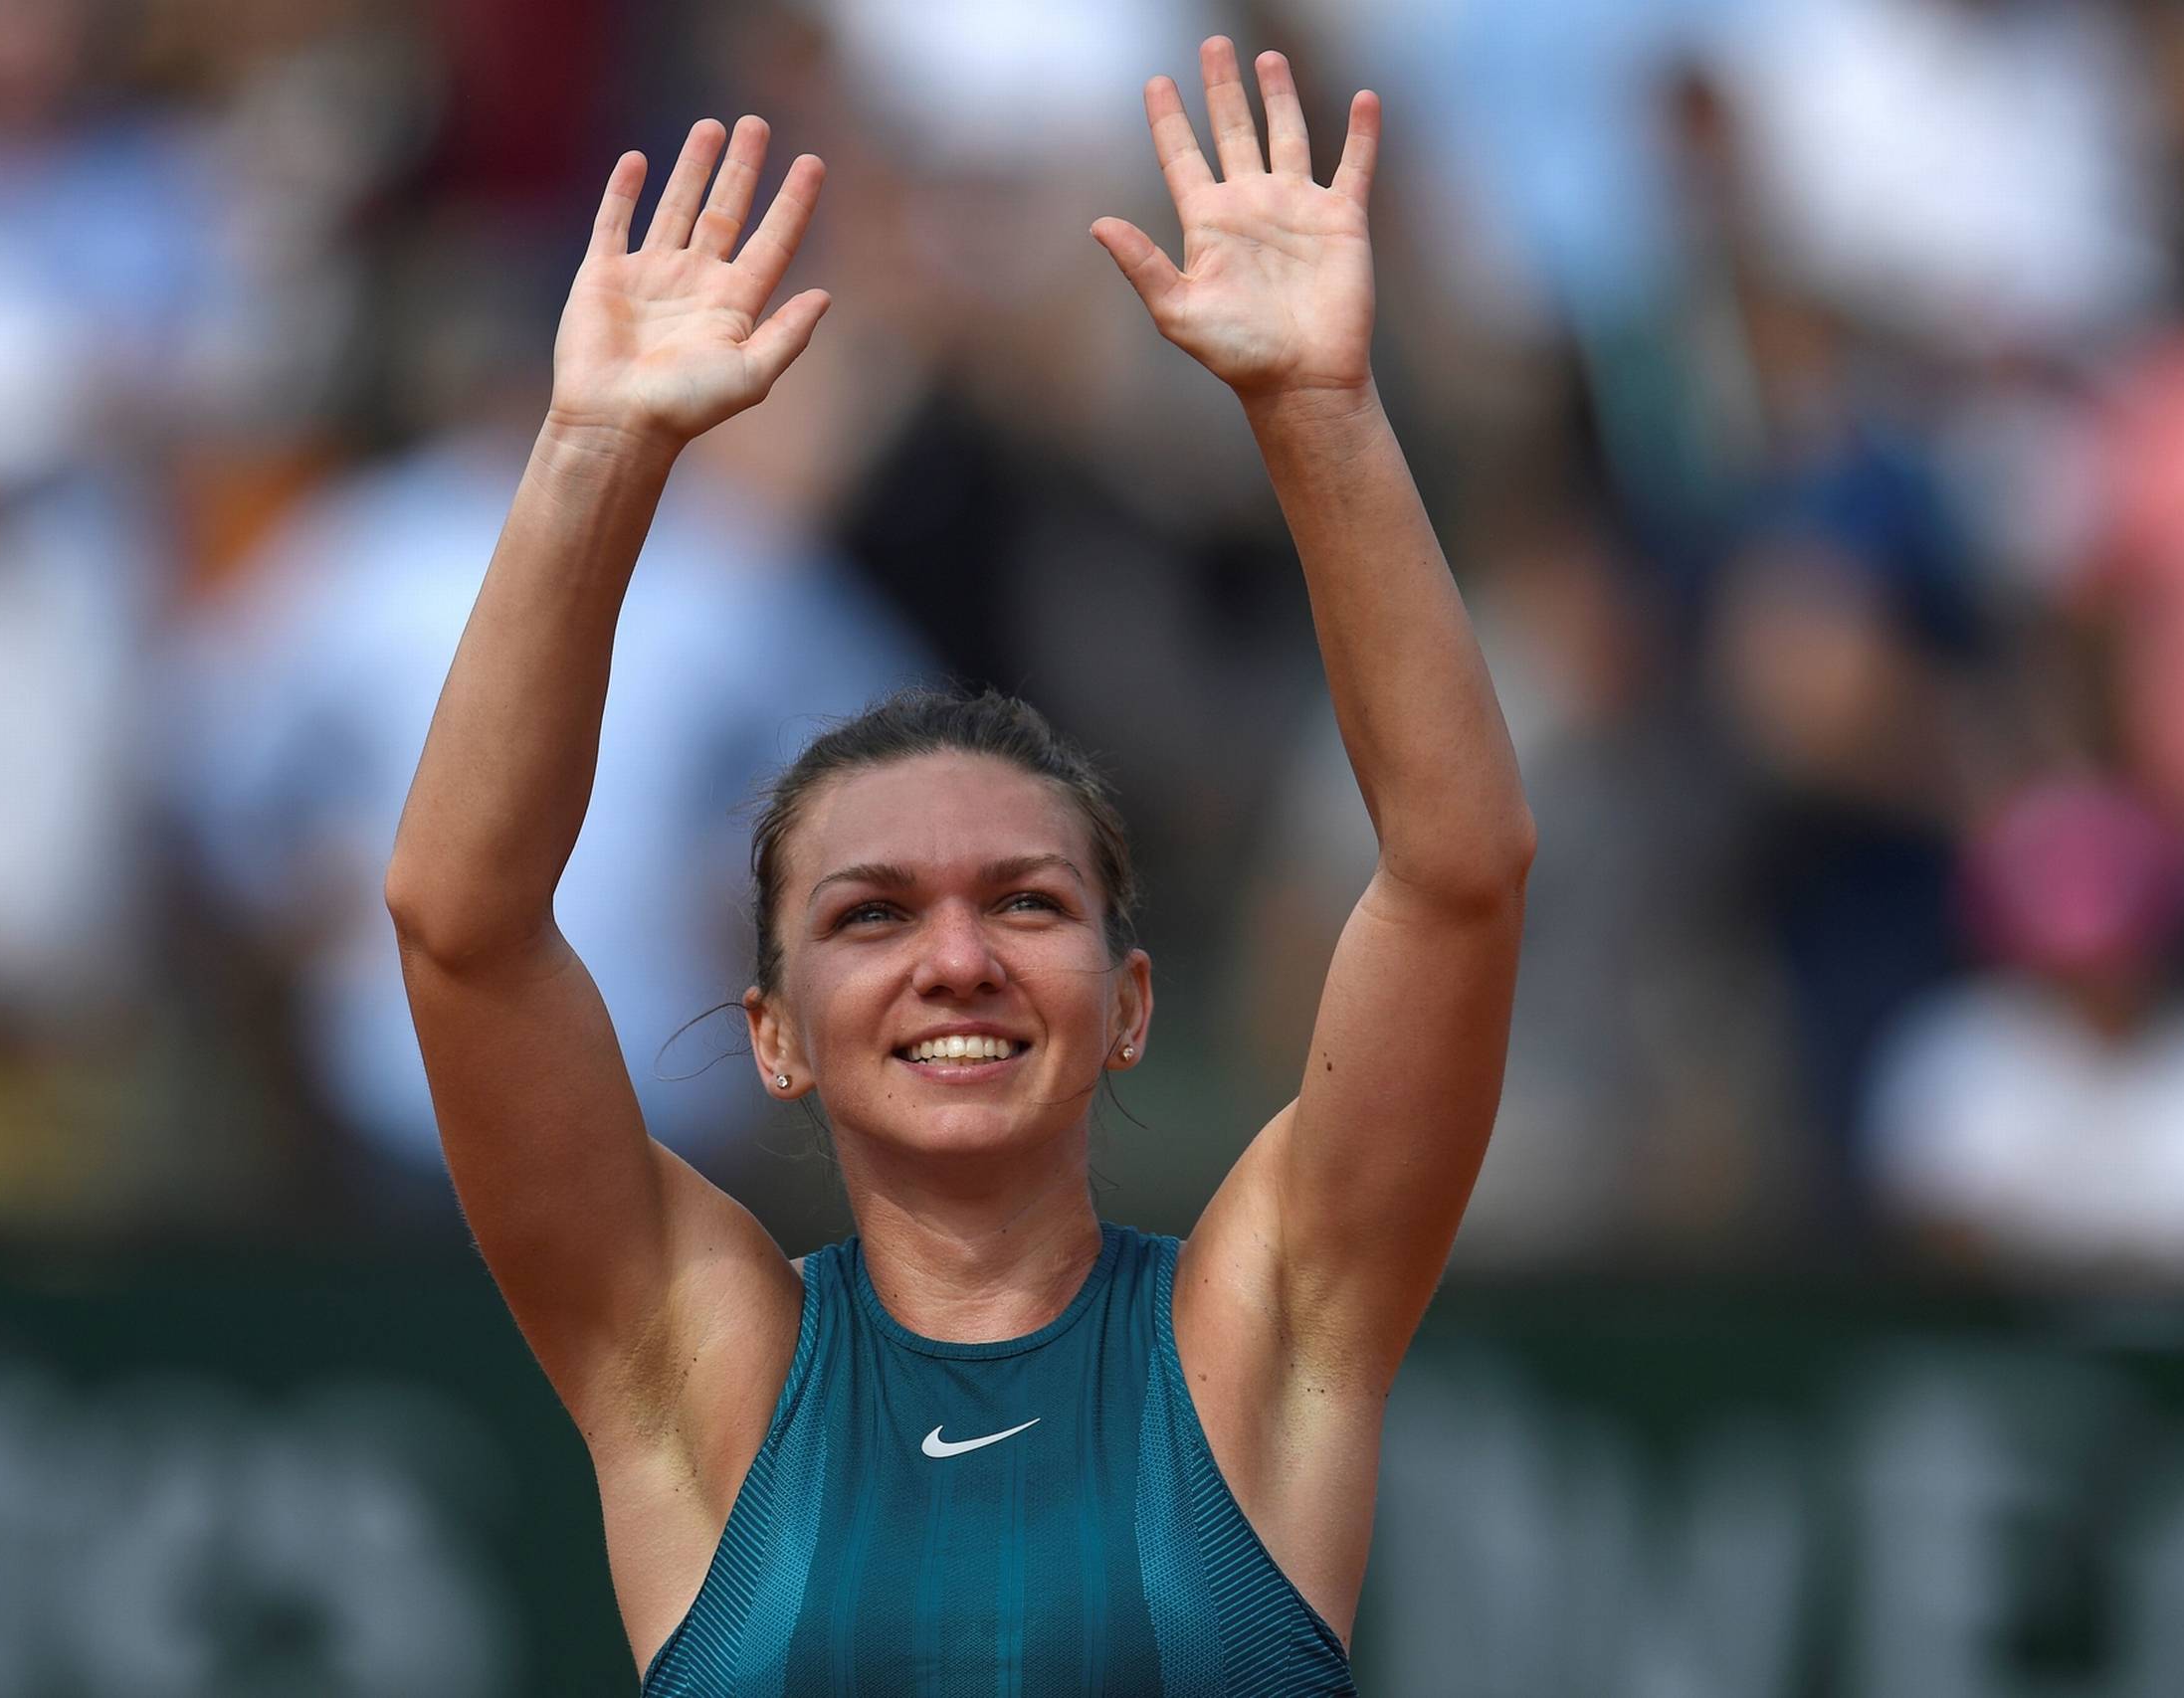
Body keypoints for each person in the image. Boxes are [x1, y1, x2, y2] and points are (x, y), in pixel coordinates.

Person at [385, 36, 1531, 1693]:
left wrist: (1320, 411)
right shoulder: (695, 1367)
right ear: (770, 1026)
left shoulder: (1268, 1329)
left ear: (1131, 1003)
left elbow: (1458, 872)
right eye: (870, 914)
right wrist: (596, 455)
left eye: (1028, 901)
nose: (958, 958)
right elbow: (462, 925)